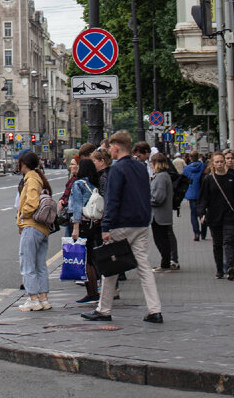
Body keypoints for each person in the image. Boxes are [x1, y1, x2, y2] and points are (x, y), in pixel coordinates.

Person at [81, 132, 163, 324]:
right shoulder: (141, 167)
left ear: (116, 148)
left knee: (111, 267)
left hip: (121, 224)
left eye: (110, 148)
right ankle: (155, 310)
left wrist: (106, 226)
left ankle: (103, 310)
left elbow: (113, 199)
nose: (109, 151)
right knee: (144, 267)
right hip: (141, 223)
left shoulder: (116, 170)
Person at [197, 151, 234, 279]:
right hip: (214, 216)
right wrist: (202, 213)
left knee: (229, 240)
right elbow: (203, 198)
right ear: (213, 164)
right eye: (217, 162)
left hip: (230, 216)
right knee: (217, 243)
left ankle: (230, 267)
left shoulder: (233, 178)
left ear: (224, 162)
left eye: (221, 161)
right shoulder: (209, 179)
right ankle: (219, 270)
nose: (219, 164)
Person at [15, 150, 53, 312]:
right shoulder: (39, 179)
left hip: (31, 226)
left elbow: (31, 202)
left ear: (24, 164)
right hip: (42, 229)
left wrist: (23, 215)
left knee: (27, 263)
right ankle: (43, 299)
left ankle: (33, 299)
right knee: (40, 265)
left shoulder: (30, 180)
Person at [75, 152, 111, 305]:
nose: (74, 168)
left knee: (87, 259)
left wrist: (75, 227)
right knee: (95, 255)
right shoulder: (96, 182)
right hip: (96, 223)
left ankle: (92, 292)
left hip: (84, 223)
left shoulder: (79, 184)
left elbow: (76, 207)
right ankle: (97, 289)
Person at [149, 152, 175, 272]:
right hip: (161, 215)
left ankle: (165, 264)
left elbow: (158, 198)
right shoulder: (162, 176)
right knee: (163, 239)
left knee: (161, 240)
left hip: (159, 215)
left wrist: (146, 199)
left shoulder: (161, 177)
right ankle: (165, 263)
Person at [182, 152, 207, 241]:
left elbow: (183, 180)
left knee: (193, 214)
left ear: (190, 158)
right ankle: (204, 233)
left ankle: (196, 232)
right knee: (203, 212)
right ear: (198, 157)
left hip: (191, 194)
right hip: (202, 192)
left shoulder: (186, 168)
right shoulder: (203, 166)